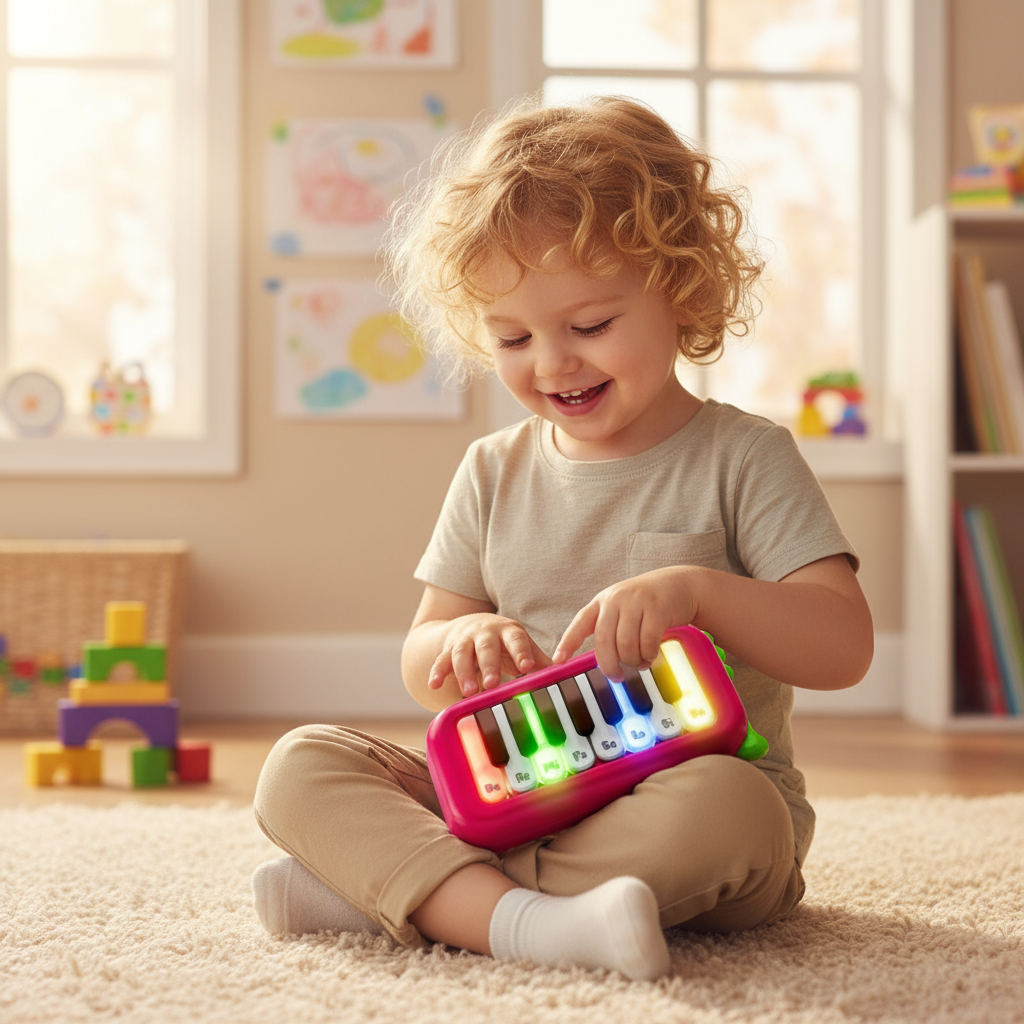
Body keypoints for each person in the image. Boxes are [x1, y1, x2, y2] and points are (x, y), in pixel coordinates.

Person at [251, 96, 874, 982]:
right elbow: (423, 661)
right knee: (302, 764)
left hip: (677, 805)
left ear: (683, 291)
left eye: (590, 326)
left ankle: (407, 898)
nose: (553, 363)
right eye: (512, 336)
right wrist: (459, 641)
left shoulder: (746, 456)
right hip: (508, 791)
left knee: (734, 809)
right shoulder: (490, 470)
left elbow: (842, 644)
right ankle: (532, 920)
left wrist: (699, 592)